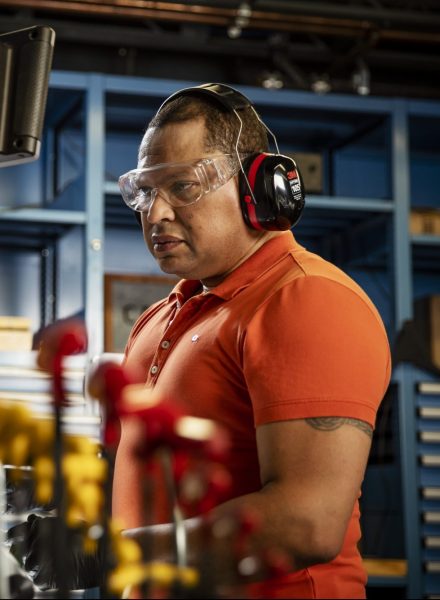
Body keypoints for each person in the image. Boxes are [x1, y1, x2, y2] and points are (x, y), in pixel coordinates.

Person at [113, 83, 391, 599]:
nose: (154, 214)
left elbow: (307, 522)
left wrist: (110, 554)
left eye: (182, 187)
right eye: (145, 191)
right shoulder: (161, 318)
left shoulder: (307, 301)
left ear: (258, 188)